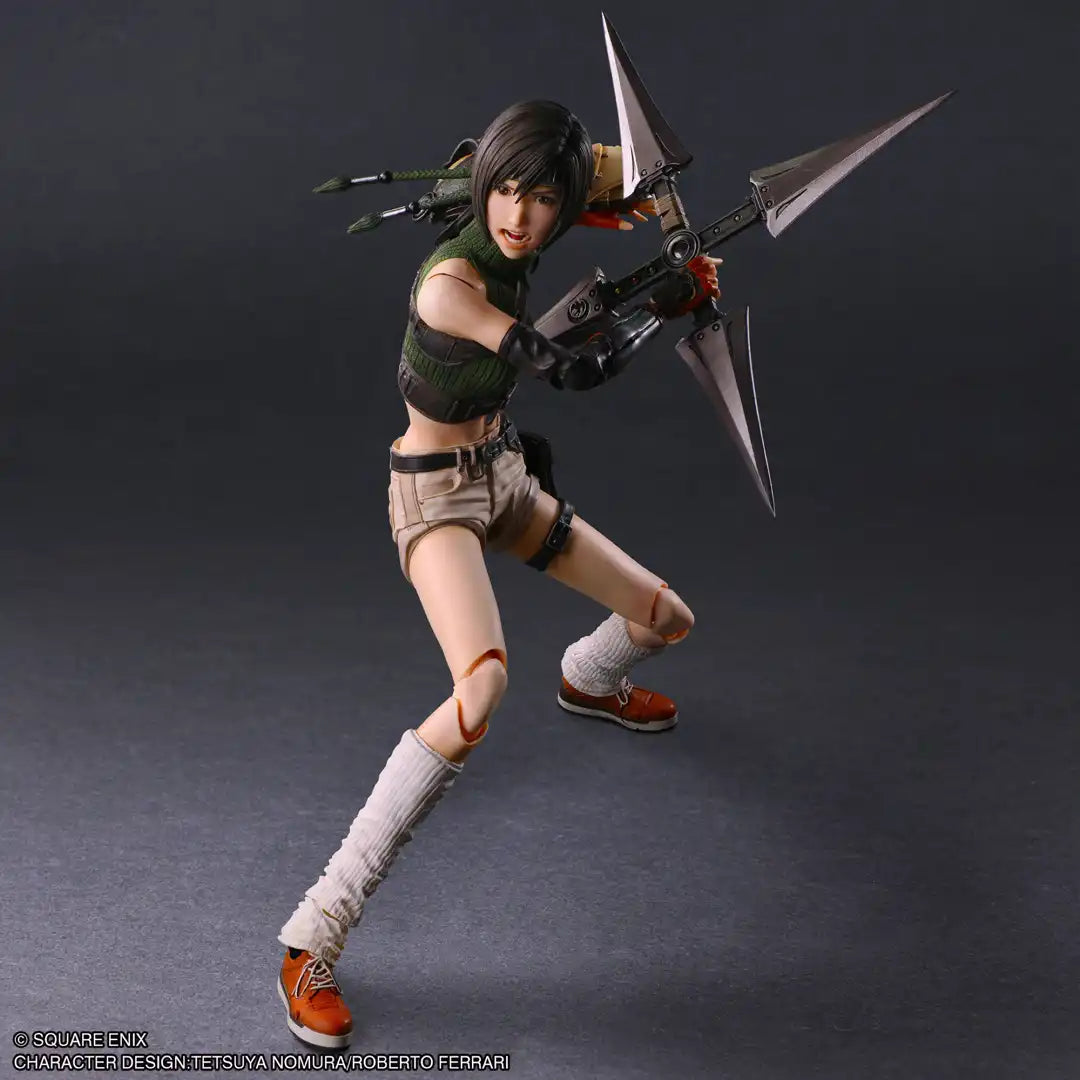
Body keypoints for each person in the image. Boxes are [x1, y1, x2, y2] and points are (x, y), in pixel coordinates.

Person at [276, 100, 720, 1048]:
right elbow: (561, 365)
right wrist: (660, 303)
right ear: (482, 182)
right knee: (479, 689)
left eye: (544, 198)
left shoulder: (543, 204)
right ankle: (316, 930)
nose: (521, 215)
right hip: (435, 496)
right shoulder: (449, 286)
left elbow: (636, 171)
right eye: (507, 191)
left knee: (666, 618)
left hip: (506, 477)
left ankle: (590, 678)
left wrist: (666, 229)